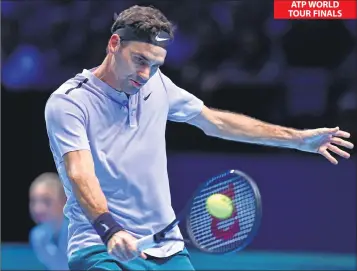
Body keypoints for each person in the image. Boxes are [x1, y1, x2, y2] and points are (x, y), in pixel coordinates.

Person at [44, 5, 354, 271]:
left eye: (155, 66)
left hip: (167, 249)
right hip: (102, 246)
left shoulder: (157, 85)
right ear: (114, 44)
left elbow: (216, 121)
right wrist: (109, 229)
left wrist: (298, 140)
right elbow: (80, 173)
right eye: (139, 60)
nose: (145, 75)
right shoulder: (70, 102)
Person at [29, 172, 69, 270]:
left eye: (46, 201)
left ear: (64, 201)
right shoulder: (36, 236)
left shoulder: (79, 233)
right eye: (33, 201)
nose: (38, 209)